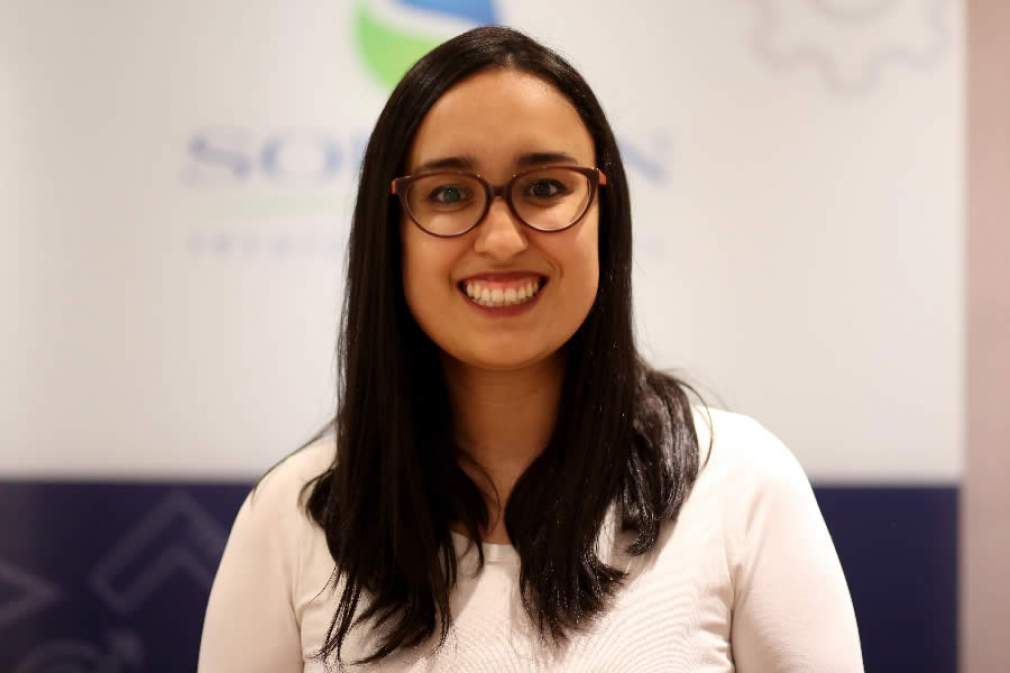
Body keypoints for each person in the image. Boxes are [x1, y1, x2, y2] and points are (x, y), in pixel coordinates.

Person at [198, 26, 863, 673]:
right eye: (449, 193)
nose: (501, 239)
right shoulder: (289, 520)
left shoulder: (741, 485)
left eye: (545, 187)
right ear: (391, 231)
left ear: (604, 213)